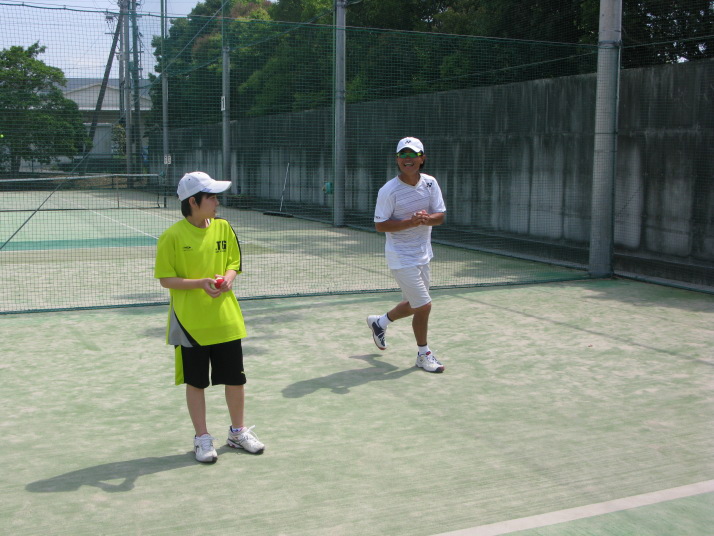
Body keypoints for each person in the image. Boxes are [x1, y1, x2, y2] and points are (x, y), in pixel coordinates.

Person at [154, 171, 265, 463]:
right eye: (212, 197)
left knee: (235, 379)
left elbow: (233, 263)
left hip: (225, 320)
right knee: (196, 383)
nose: (217, 202)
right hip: (190, 324)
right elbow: (166, 279)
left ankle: (237, 433)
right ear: (193, 201)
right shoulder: (171, 237)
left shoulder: (224, 227)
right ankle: (202, 438)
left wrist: (228, 278)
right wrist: (200, 283)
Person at [367, 137, 447, 373]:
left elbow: (440, 216)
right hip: (400, 257)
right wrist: (410, 223)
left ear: (422, 159)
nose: (407, 159)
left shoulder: (430, 183)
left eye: (413, 155)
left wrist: (425, 219)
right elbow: (380, 225)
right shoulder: (389, 190)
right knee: (424, 306)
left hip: (423, 254)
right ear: (397, 160)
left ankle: (380, 322)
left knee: (415, 304)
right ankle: (424, 355)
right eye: (403, 155)